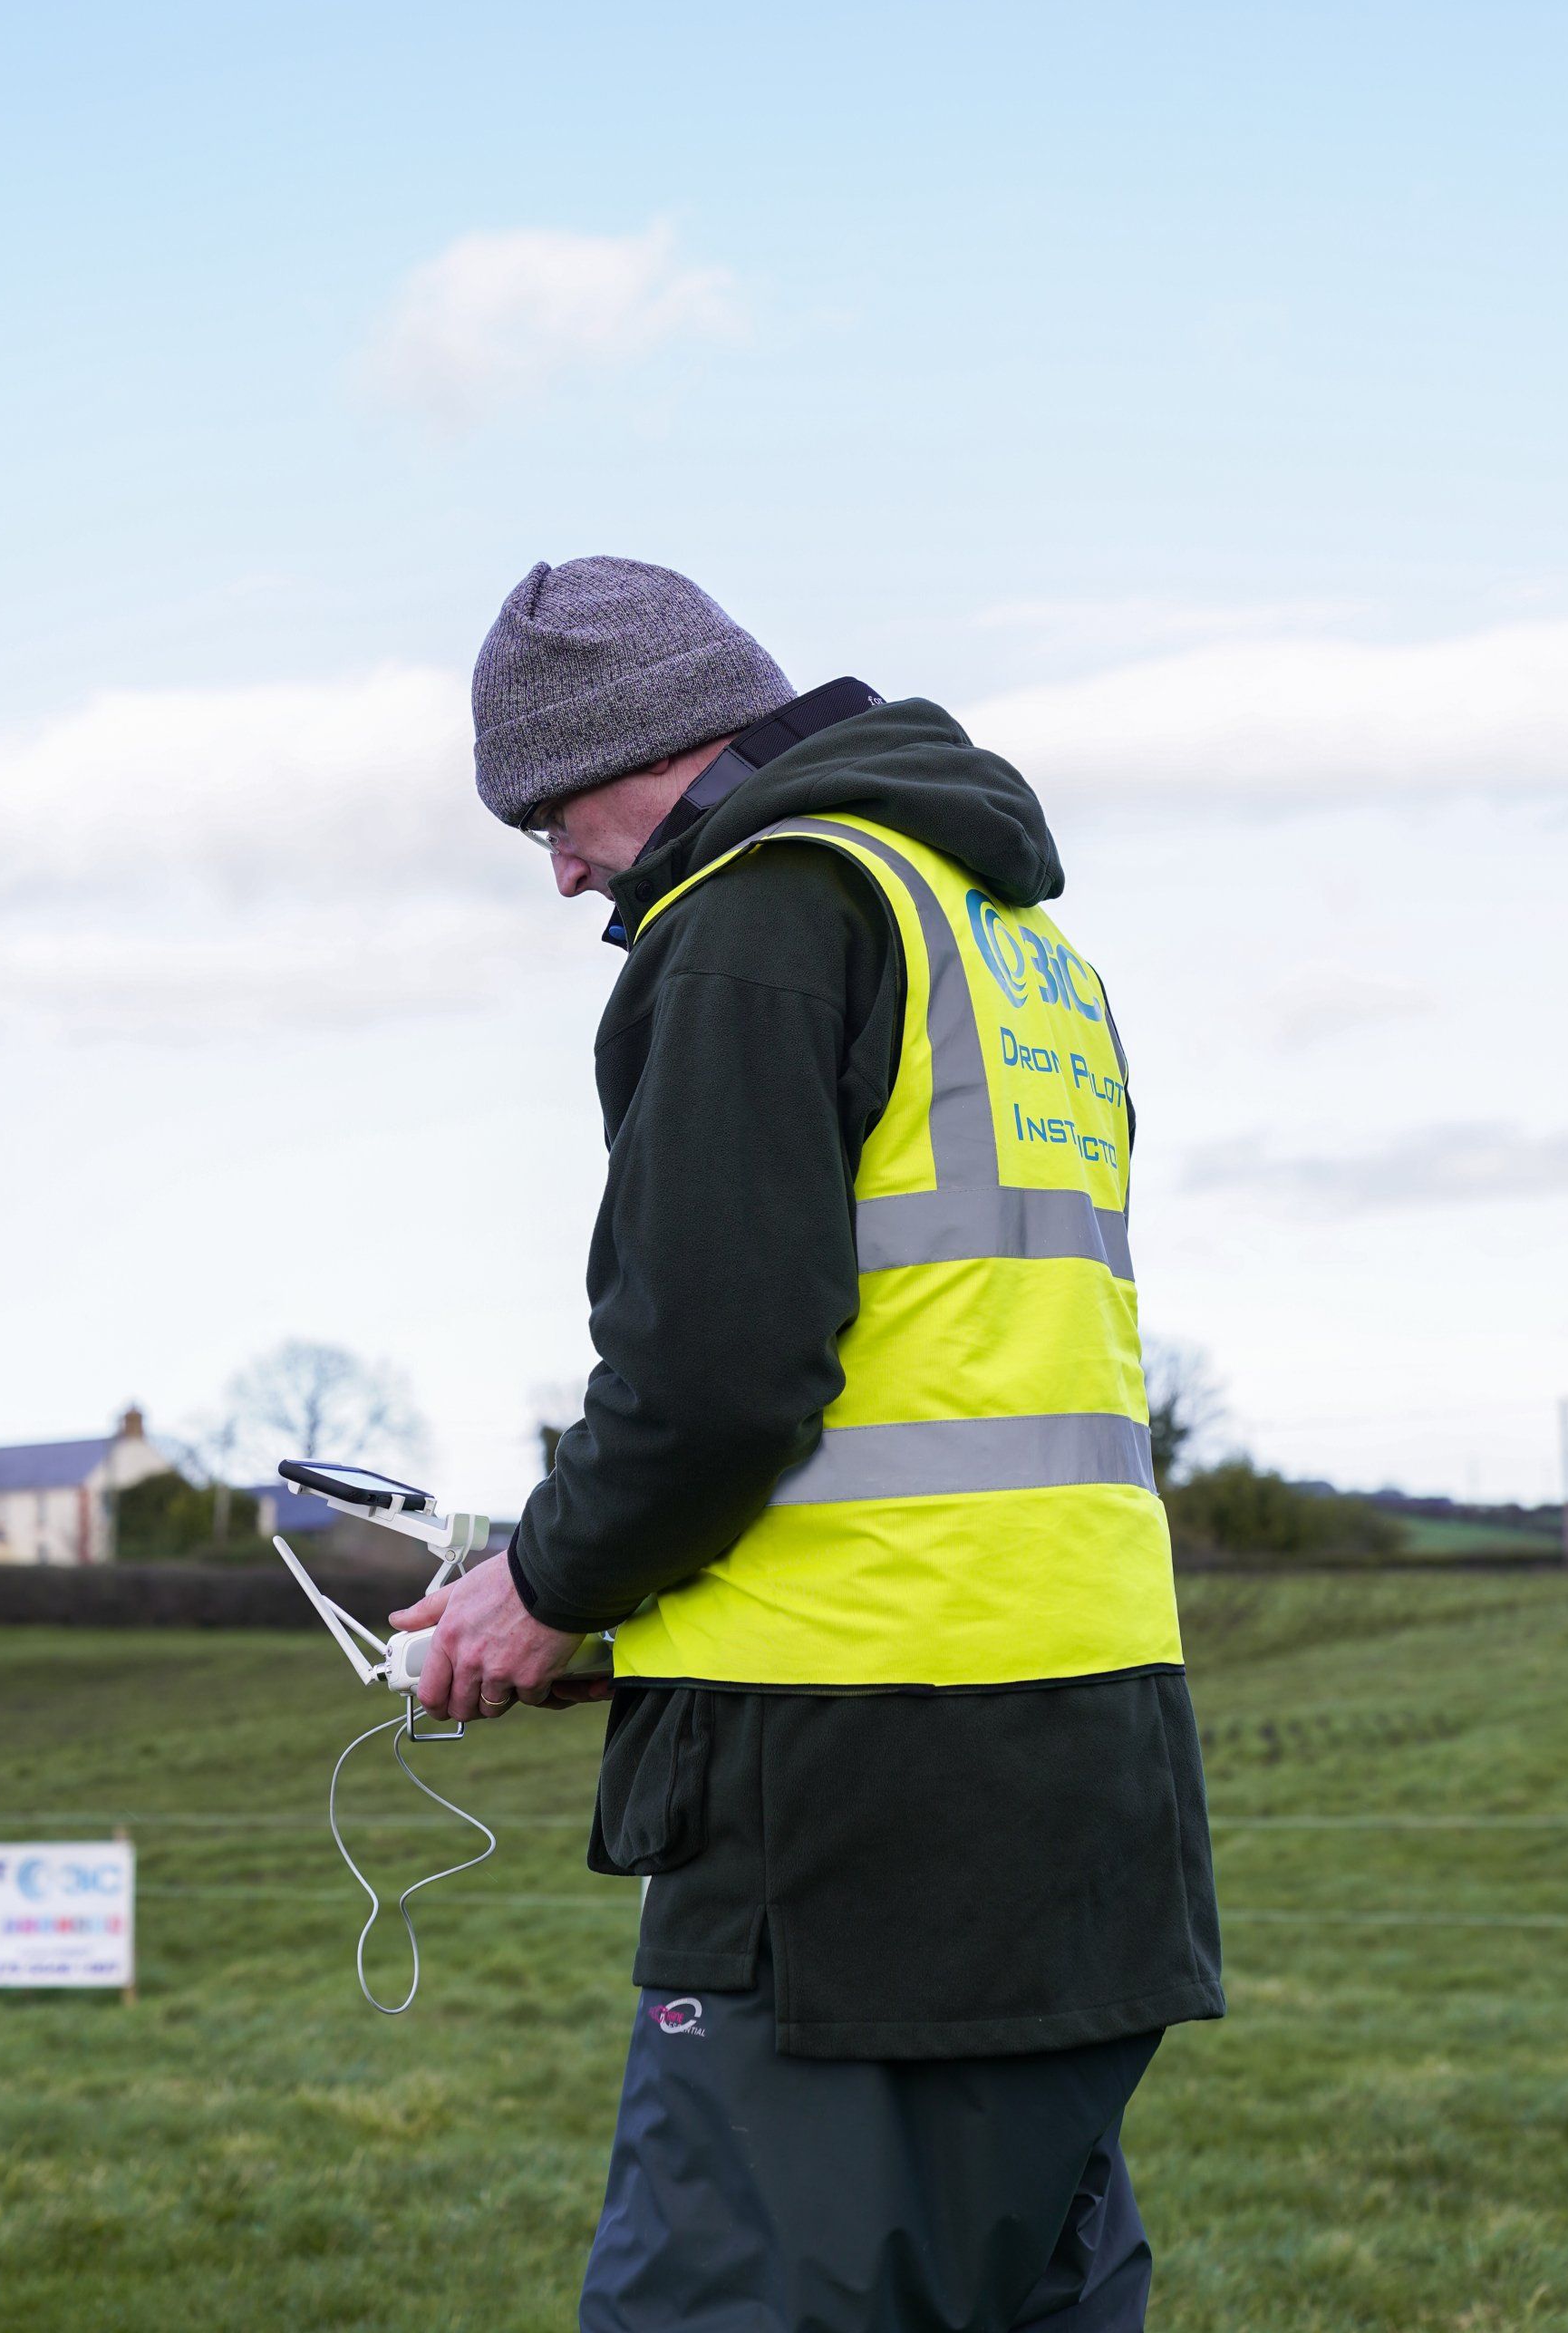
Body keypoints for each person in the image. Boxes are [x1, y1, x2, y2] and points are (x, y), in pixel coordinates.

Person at [391, 555, 1224, 2333]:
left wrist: (537, 1588)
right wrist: (619, 1624)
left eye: (550, 810)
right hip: (1093, 1798)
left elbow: (718, 1375)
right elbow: (925, 1403)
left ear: (652, 745)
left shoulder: (764, 916)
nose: (557, 869)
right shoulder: (1015, 942)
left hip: (850, 1836)